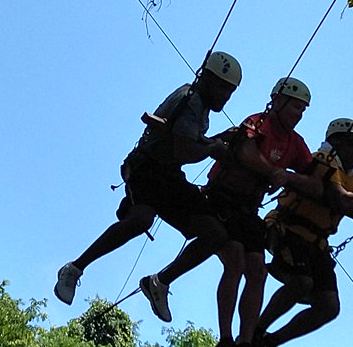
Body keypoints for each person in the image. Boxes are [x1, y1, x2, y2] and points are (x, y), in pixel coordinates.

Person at [54, 51, 242, 319]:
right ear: (207, 78)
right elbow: (184, 150)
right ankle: (74, 269)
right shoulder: (191, 100)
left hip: (168, 177)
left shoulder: (199, 107)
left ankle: (159, 282)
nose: (226, 96)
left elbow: (191, 142)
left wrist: (215, 140)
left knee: (215, 233)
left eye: (231, 91)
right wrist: (214, 149)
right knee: (140, 219)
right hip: (148, 170)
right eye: (223, 87)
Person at [247, 117, 353, 347]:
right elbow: (345, 200)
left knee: (328, 306)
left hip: (317, 243)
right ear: (336, 143)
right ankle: (255, 332)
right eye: (352, 144)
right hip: (288, 230)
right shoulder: (322, 162)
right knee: (301, 283)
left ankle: (269, 343)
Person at [207, 77, 322, 347]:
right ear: (279, 102)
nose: (299, 114)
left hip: (248, 210)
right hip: (222, 199)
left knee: (257, 270)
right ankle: (225, 342)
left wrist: (291, 178)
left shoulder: (295, 144)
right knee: (234, 260)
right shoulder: (257, 123)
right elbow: (245, 152)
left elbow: (313, 181)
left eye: (303, 110)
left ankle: (245, 344)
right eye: (296, 107)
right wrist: (274, 172)